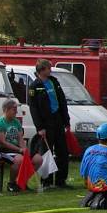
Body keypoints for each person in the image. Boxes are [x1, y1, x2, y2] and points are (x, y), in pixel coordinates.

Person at [28, 59, 71, 188]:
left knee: (62, 151)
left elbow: (62, 100)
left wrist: (66, 120)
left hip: (58, 120)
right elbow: (33, 108)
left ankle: (60, 181)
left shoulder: (54, 82)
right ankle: (46, 181)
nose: (50, 70)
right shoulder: (34, 86)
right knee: (46, 152)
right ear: (42, 70)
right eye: (48, 68)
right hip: (45, 124)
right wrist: (39, 127)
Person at [0, 98, 43, 192]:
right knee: (19, 160)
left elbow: (20, 138)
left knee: (38, 159)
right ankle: (11, 183)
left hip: (17, 149)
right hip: (4, 150)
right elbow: (3, 142)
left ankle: (22, 181)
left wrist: (24, 149)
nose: (16, 112)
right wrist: (19, 150)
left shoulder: (16, 122)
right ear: (6, 109)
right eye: (14, 109)